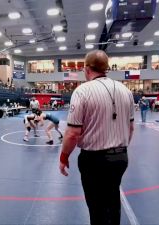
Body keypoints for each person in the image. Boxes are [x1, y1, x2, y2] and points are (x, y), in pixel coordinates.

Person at [59, 50, 134, 225]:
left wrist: (64, 157)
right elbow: (130, 128)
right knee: (113, 200)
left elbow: (72, 133)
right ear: (106, 68)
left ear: (86, 69)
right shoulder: (125, 90)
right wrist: (119, 148)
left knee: (96, 207)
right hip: (121, 158)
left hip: (95, 160)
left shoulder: (82, 91)